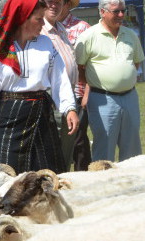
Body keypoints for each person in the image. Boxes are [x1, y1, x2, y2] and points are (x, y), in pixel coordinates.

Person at [0, 0, 78, 174]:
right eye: (39, 19)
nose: (42, 23)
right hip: (9, 116)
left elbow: (60, 78)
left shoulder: (46, 43)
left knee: (48, 171)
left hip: (41, 114)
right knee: (9, 174)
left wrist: (69, 108)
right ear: (23, 19)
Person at [75, 0, 144, 163]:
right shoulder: (87, 37)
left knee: (132, 147)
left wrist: (121, 78)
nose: (121, 15)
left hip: (130, 97)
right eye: (116, 11)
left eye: (123, 11)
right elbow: (79, 68)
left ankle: (133, 184)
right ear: (102, 12)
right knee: (104, 147)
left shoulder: (130, 35)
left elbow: (136, 63)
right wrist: (96, 84)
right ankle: (103, 186)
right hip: (102, 99)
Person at [43, 0, 81, 172]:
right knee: (53, 150)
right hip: (51, 97)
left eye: (59, 1)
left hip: (68, 95)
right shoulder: (39, 30)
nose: (54, 5)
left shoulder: (60, 29)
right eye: (49, 1)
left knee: (65, 150)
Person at [58, 0, 92, 170]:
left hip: (77, 92)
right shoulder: (43, 27)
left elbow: (90, 64)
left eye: (59, 2)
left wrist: (87, 93)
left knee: (78, 138)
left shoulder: (82, 27)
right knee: (58, 139)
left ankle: (82, 175)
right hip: (53, 94)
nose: (54, 5)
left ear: (67, 4)